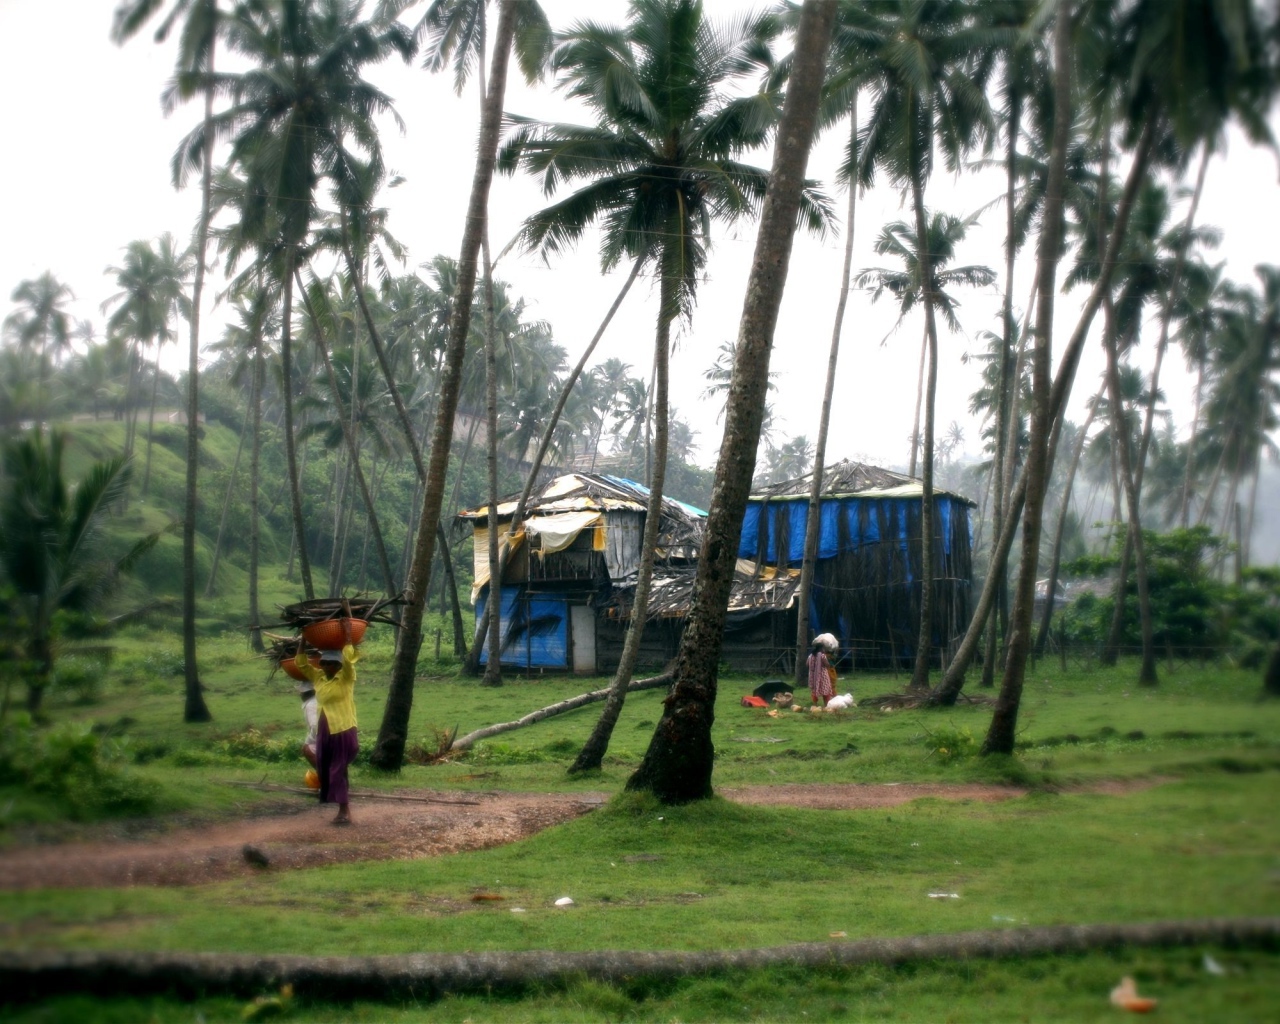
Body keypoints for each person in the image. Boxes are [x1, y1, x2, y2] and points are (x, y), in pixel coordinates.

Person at [294, 628, 360, 826]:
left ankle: (344, 810)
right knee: (325, 768)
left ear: (338, 665)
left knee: (337, 769)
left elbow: (350, 659)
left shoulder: (346, 678)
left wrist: (348, 635)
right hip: (325, 730)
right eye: (324, 663)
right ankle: (341, 804)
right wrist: (304, 638)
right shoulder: (318, 678)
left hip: (343, 729)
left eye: (331, 663)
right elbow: (301, 663)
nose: (326, 666)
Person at [807, 639, 834, 707]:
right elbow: (827, 664)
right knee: (825, 689)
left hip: (813, 676)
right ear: (821, 648)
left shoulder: (810, 656)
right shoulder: (822, 655)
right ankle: (826, 705)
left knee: (814, 690)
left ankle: (815, 704)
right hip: (822, 675)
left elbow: (807, 664)